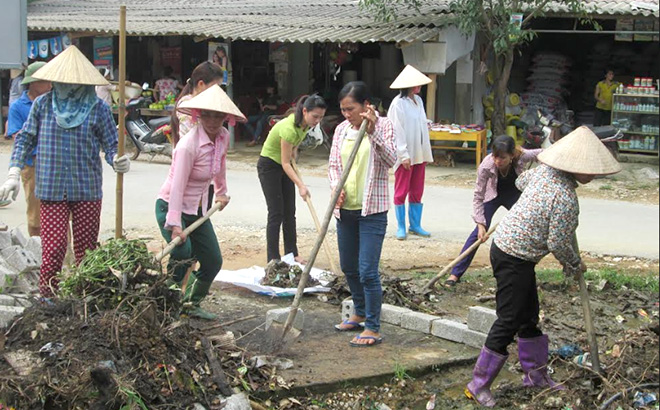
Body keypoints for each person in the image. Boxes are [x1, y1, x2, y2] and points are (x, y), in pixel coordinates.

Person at [465, 126, 621, 407]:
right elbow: (558, 242)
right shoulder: (565, 197)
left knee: (528, 315)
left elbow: (521, 182)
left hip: (512, 254)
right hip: (513, 256)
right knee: (509, 319)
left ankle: (535, 375)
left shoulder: (543, 173)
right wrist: (574, 264)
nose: (594, 175)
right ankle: (478, 384)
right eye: (592, 171)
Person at [0, 46, 130, 298]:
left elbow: (112, 145)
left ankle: (84, 297)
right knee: (54, 248)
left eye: (74, 81)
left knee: (86, 251)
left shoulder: (97, 108)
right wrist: (13, 173)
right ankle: (48, 298)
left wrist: (118, 160)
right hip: (51, 188)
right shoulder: (43, 105)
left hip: (87, 189)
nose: (69, 86)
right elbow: (25, 139)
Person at [156, 84, 245, 320]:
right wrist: (174, 224)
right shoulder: (188, 146)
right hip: (170, 206)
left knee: (212, 261)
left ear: (226, 117)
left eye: (218, 116)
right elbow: (177, 186)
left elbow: (220, 165)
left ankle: (190, 304)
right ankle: (166, 306)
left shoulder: (223, 137)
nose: (213, 121)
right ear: (199, 115)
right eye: (208, 114)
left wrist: (222, 192)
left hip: (198, 208)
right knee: (183, 254)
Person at [330, 81, 396, 347]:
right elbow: (334, 165)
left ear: (366, 105)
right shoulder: (341, 130)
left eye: (351, 109)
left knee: (368, 270)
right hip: (345, 209)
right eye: (343, 109)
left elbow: (392, 160)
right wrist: (337, 188)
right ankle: (357, 312)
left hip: (372, 210)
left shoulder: (385, 125)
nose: (347, 115)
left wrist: (372, 133)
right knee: (349, 267)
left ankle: (373, 326)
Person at [444, 135, 541, 287]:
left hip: (515, 195)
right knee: (477, 234)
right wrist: (481, 224)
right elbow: (478, 196)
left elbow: (542, 153)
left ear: (511, 155)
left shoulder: (522, 156)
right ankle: (455, 274)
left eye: (502, 158)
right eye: (495, 156)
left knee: (528, 226)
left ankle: (521, 270)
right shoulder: (486, 165)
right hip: (492, 196)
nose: (498, 161)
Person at [257, 94, 327, 263]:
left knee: (290, 212)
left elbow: (293, 150)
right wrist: (301, 185)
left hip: (285, 165)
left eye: (321, 118)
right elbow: (284, 163)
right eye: (315, 116)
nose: (317, 121)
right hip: (269, 166)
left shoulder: (305, 126)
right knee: (276, 213)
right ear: (304, 111)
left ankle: (292, 253)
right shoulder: (288, 128)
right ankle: (273, 258)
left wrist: (294, 153)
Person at [0, 62, 51, 223]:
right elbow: (18, 136)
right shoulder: (18, 107)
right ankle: (35, 245)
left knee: (59, 211)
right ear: (33, 83)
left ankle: (65, 248)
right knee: (36, 213)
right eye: (45, 81)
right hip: (32, 162)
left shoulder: (54, 103)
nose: (50, 85)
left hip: (54, 162)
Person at [388, 65, 434, 240]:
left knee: (417, 189)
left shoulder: (418, 101)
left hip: (419, 152)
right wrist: (403, 154)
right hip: (406, 154)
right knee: (401, 190)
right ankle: (401, 226)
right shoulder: (398, 104)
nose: (419, 87)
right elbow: (397, 130)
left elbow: (421, 123)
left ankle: (415, 224)